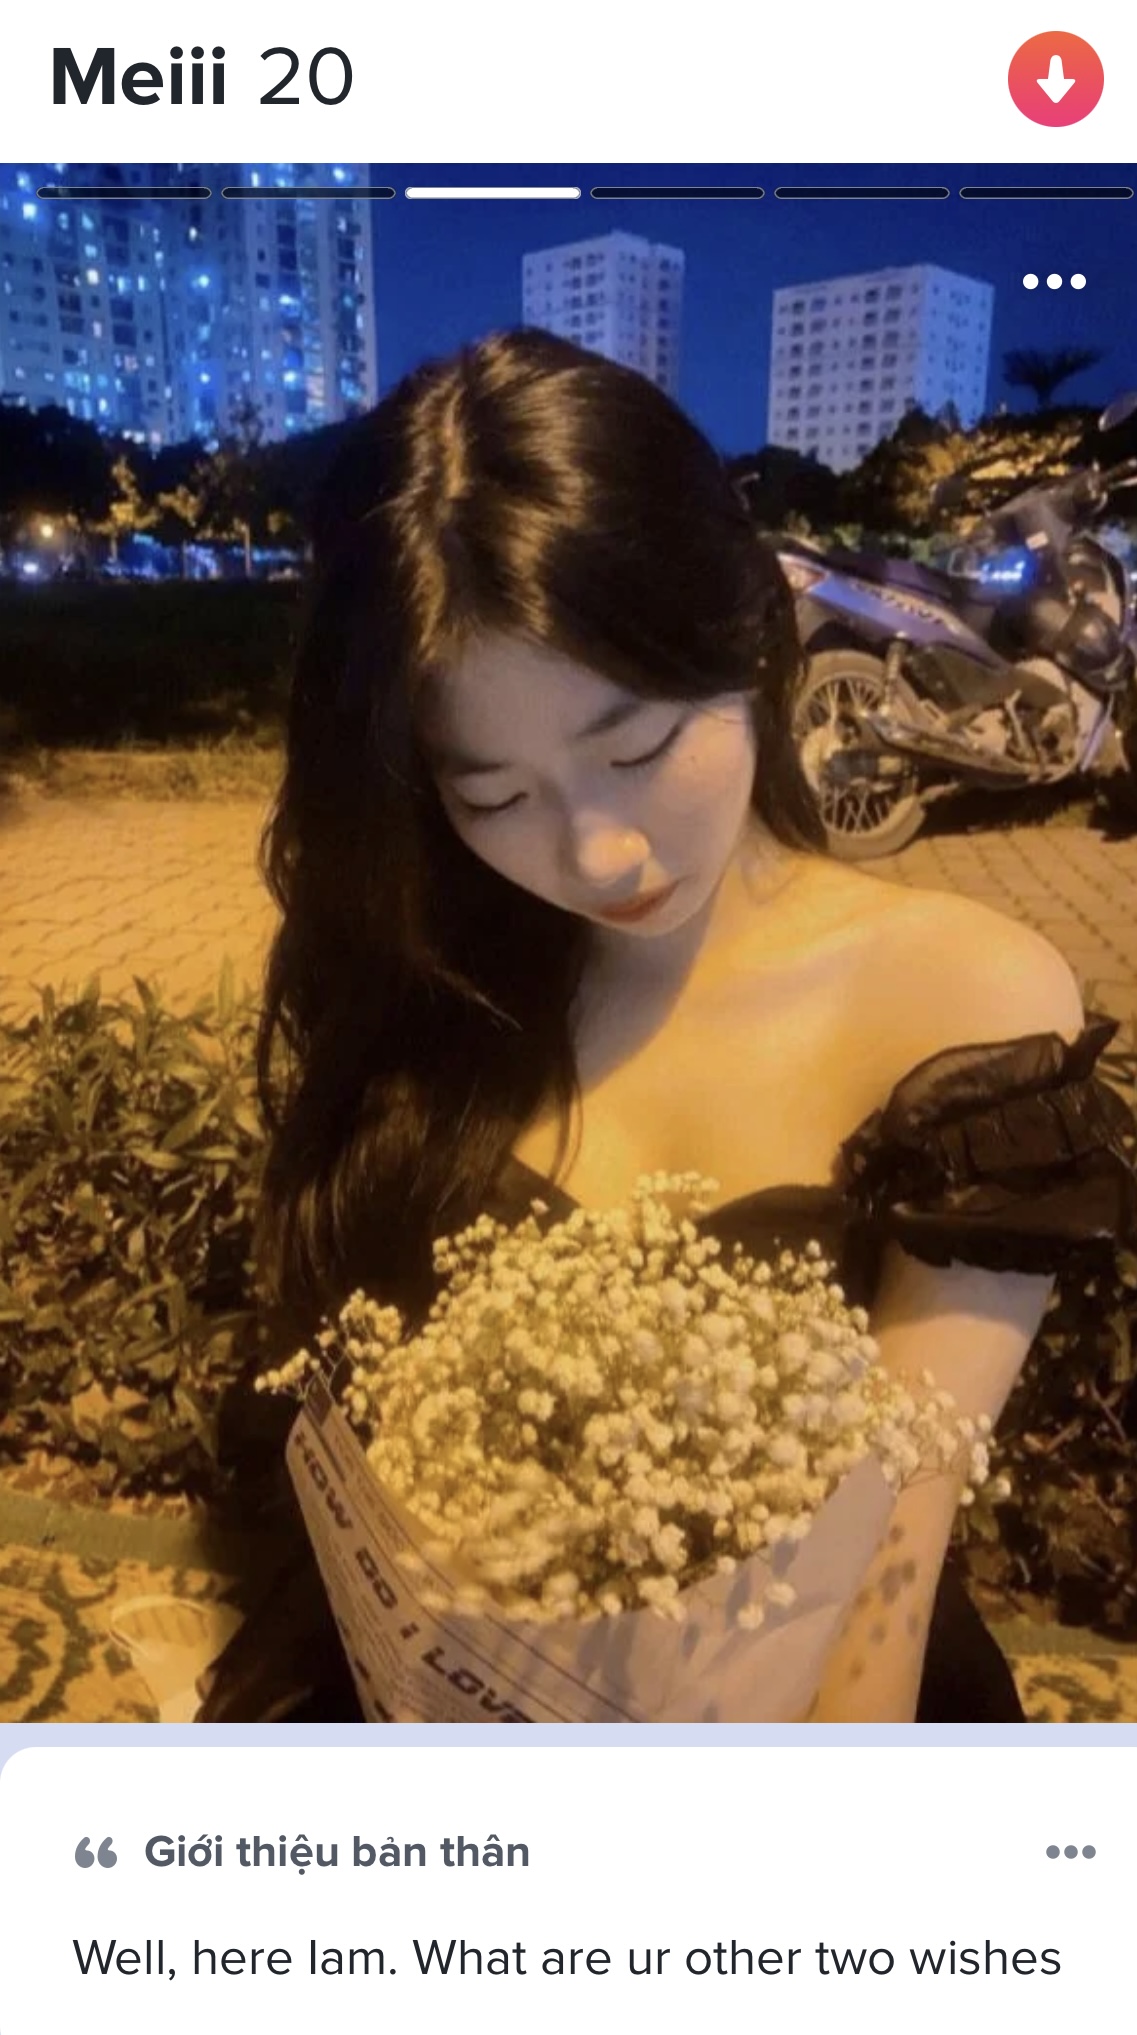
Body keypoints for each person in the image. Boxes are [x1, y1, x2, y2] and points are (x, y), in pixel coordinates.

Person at [198, 328, 1137, 1724]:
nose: (596, 854)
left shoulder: (960, 1003)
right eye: (494, 795)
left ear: (750, 635)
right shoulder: (445, 975)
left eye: (637, 749)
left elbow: (891, 1551)